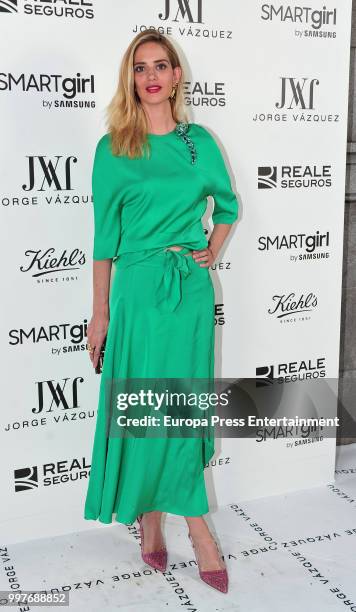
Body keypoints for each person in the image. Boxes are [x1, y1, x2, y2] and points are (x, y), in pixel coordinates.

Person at [83, 30, 239, 594]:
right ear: (132, 79)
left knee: (182, 406)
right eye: (141, 67)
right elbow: (103, 242)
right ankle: (165, 519)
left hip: (189, 293)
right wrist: (99, 314)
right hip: (138, 295)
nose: (151, 76)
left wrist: (212, 249)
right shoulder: (113, 147)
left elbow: (228, 204)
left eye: (162, 65)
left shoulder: (200, 142)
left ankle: (183, 523)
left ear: (176, 76)